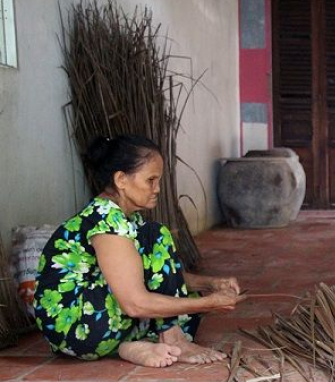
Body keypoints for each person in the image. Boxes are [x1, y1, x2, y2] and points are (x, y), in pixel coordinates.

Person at [33, 135, 244, 367]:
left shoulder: (123, 219)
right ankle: (171, 338)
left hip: (86, 330)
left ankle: (128, 346)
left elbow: (159, 275)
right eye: (151, 180)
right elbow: (135, 303)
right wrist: (209, 303)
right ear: (121, 179)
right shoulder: (106, 221)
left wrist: (210, 285)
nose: (157, 189)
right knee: (157, 237)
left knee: (182, 299)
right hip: (78, 328)